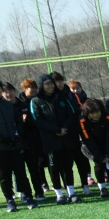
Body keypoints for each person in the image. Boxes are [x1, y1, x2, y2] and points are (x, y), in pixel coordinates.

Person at [0, 77, 36, 212]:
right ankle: (10, 200)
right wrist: (2, 140)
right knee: (5, 175)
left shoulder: (8, 104)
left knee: (21, 173)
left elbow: (19, 123)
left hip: (15, 145)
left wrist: (16, 136)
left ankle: (28, 197)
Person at [31, 74, 79, 203]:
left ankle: (71, 193)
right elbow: (38, 120)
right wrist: (56, 130)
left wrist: (65, 128)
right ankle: (59, 194)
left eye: (51, 83)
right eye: (47, 84)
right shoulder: (36, 100)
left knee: (67, 167)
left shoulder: (62, 96)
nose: (50, 86)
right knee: (54, 168)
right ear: (41, 85)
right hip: (50, 141)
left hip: (66, 138)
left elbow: (72, 113)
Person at [53, 72, 92, 191]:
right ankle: (68, 187)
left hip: (74, 131)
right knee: (65, 163)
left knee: (81, 159)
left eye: (60, 81)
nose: (58, 84)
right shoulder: (50, 97)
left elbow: (76, 110)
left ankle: (85, 185)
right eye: (55, 82)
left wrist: (69, 125)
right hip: (59, 134)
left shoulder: (71, 94)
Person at [77, 99, 109, 197]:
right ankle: (102, 188)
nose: (96, 115)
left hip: (107, 143)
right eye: (92, 113)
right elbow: (88, 140)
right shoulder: (82, 121)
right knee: (99, 164)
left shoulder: (108, 117)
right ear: (87, 113)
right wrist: (99, 156)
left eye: (97, 112)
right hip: (90, 146)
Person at [16, 78, 48, 199]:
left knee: (43, 162)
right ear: (25, 89)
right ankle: (29, 190)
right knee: (32, 166)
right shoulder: (20, 103)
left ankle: (44, 185)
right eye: (31, 87)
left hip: (41, 136)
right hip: (28, 140)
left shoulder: (40, 100)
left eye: (35, 87)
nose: (34, 90)